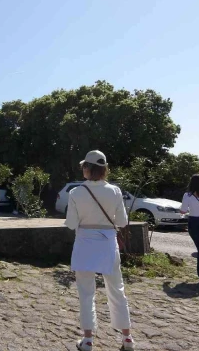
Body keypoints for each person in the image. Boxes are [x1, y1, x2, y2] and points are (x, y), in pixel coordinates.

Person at [65, 150, 135, 351]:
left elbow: (71, 224)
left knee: (86, 293)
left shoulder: (75, 193)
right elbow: (121, 221)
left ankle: (87, 340)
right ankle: (127, 338)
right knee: (117, 290)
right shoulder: (115, 191)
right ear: (104, 169)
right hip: (107, 245)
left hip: (85, 244)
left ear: (87, 168)